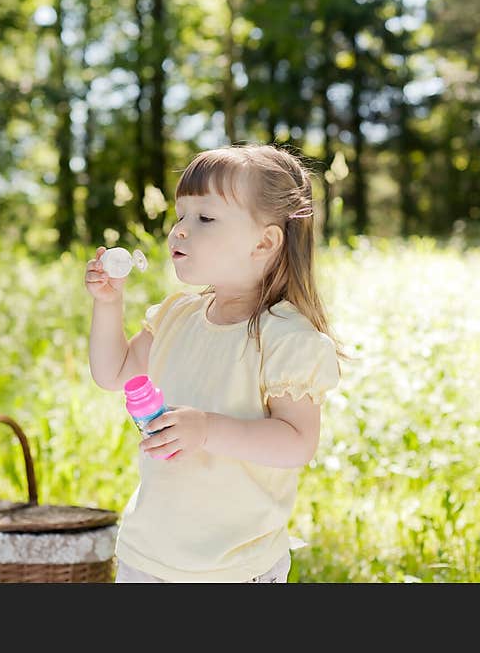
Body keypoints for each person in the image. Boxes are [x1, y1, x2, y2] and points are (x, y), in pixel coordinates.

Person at [85, 142, 345, 583]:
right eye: (180, 215)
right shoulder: (176, 317)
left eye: (205, 218)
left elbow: (297, 442)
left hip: (234, 566)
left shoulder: (286, 340)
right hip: (149, 554)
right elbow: (113, 372)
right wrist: (108, 304)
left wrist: (207, 429)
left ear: (264, 241)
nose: (180, 231)